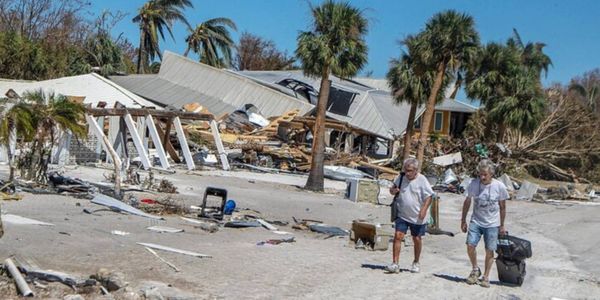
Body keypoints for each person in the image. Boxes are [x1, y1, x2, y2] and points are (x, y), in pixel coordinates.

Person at [460, 159, 509, 288]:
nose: (482, 177)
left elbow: (502, 207)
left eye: (485, 175)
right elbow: (467, 202)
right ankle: (475, 269)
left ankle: (486, 276)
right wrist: (463, 220)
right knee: (470, 245)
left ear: (491, 174)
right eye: (480, 174)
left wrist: (502, 225)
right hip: (476, 220)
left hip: (492, 223)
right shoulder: (474, 184)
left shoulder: (499, 186)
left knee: (489, 250)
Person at [386, 158, 434, 273]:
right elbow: (392, 190)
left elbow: (429, 196)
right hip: (402, 214)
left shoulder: (422, 180)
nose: (407, 173)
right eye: (406, 170)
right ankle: (395, 263)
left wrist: (423, 210)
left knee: (416, 238)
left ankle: (416, 262)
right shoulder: (401, 177)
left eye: (410, 171)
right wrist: (393, 191)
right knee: (398, 236)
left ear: (416, 170)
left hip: (417, 217)